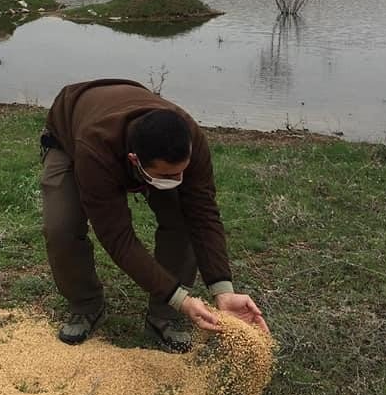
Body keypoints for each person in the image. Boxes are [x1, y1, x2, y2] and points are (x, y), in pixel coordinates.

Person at [40, 78, 269, 351]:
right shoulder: (95, 148)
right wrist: (182, 298)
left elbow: (203, 214)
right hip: (70, 134)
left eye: (182, 171)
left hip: (133, 130)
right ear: (135, 162)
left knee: (182, 220)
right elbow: (118, 238)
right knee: (61, 228)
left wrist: (223, 290)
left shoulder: (191, 139)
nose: (178, 179)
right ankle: (86, 304)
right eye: (168, 176)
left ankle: (164, 316)